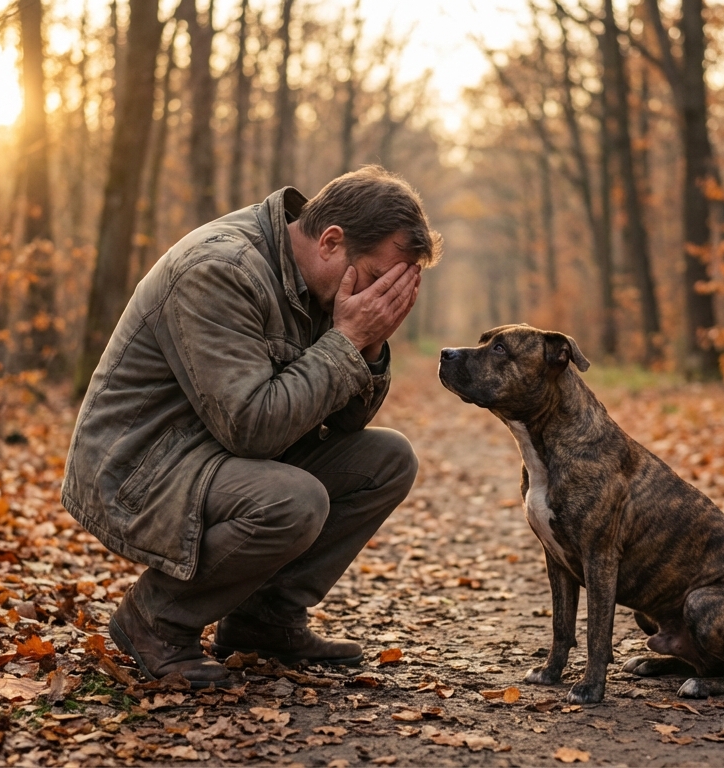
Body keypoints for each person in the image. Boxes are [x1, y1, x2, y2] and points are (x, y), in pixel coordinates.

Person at [61, 167, 441, 687]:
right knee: (293, 499)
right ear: (332, 241)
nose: (381, 300)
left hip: (211, 453)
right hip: (139, 468)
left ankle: (264, 621)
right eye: (378, 281)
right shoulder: (221, 269)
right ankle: (156, 619)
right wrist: (348, 339)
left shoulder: (318, 282)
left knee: (387, 460)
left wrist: (368, 346)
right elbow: (251, 429)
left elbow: (346, 421)